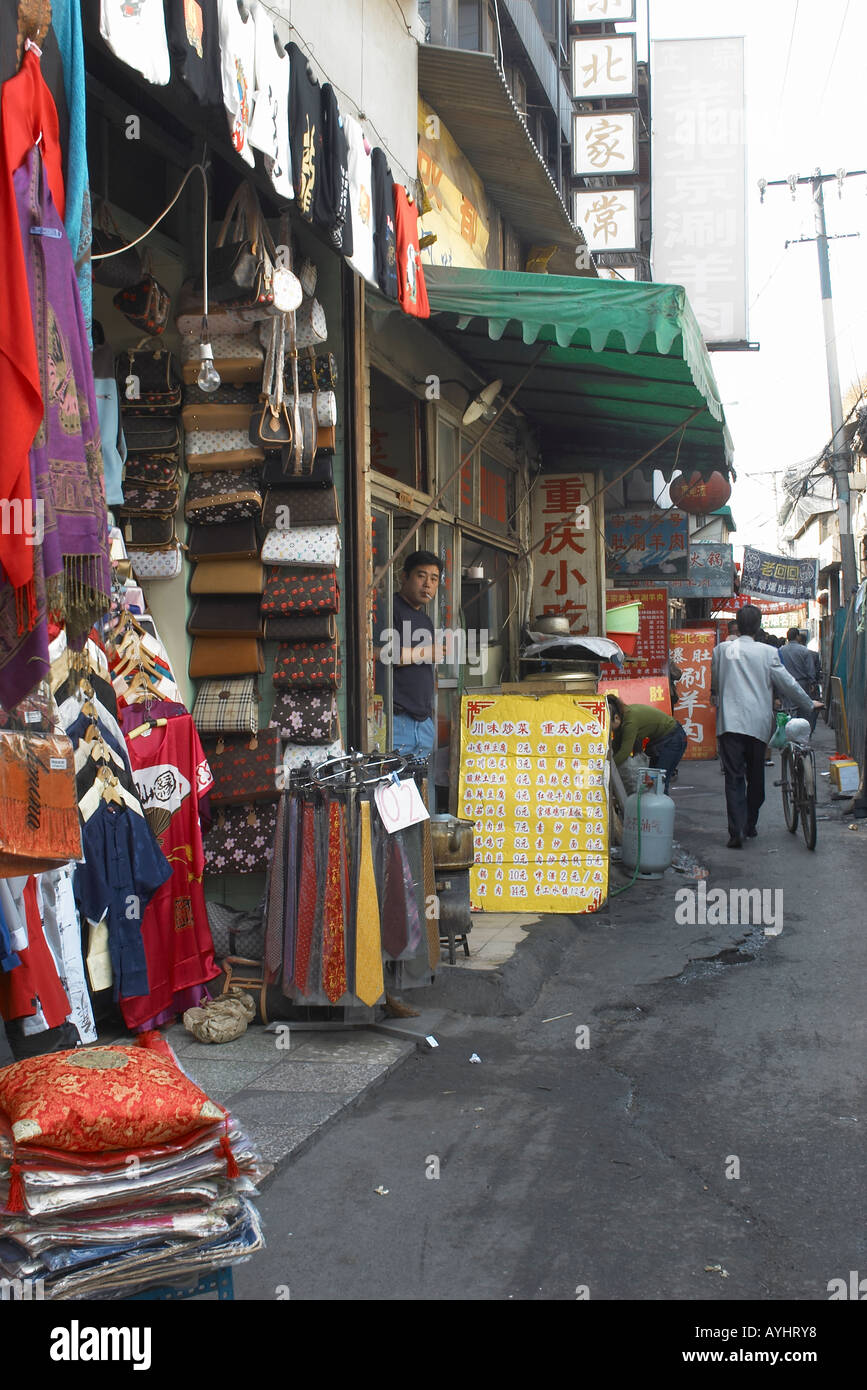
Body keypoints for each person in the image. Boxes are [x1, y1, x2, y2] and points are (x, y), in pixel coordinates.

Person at [711, 605, 823, 849]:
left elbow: (716, 683)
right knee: (756, 776)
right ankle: (749, 823)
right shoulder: (767, 652)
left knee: (733, 778)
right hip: (757, 724)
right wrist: (808, 703)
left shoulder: (722, 650)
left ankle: (736, 830)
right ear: (759, 624)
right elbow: (788, 683)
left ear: (738, 625)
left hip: (729, 723)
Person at [381, 550, 443, 760]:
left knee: (417, 791)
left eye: (434, 579)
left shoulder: (425, 620)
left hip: (423, 722)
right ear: (404, 577)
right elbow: (381, 654)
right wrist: (427, 652)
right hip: (397, 719)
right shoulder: (389, 610)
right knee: (391, 788)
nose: (428, 584)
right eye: (421, 576)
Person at [606, 694, 687, 794]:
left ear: (616, 718)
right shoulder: (622, 718)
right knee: (651, 781)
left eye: (609, 726)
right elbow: (616, 745)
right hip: (658, 741)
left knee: (659, 782)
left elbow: (624, 752)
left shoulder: (630, 722)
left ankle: (659, 809)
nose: (610, 730)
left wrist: (606, 766)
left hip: (673, 739)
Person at [779, 626, 822, 731]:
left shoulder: (781, 651)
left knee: (789, 711)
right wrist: (812, 683)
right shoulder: (804, 651)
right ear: (797, 637)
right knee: (803, 711)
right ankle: (801, 737)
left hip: (786, 685)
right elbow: (810, 669)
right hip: (802, 684)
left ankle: (789, 736)